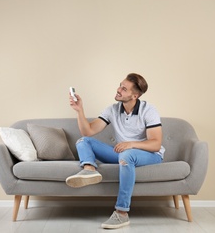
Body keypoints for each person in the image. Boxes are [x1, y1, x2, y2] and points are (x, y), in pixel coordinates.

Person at [66, 73, 165, 229]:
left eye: (124, 89)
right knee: (83, 141)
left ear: (135, 95)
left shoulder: (149, 110)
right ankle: (89, 169)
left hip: (149, 154)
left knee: (126, 154)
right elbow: (88, 131)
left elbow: (155, 144)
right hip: (124, 153)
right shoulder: (112, 109)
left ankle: (122, 213)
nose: (118, 90)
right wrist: (79, 111)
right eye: (120, 85)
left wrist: (131, 144)